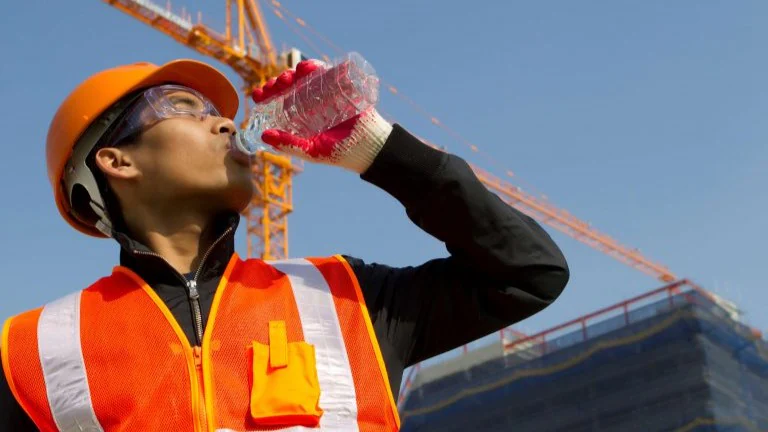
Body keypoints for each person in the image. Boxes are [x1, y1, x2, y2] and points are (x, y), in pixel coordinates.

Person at [0, 58, 569, 431]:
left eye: (222, 114)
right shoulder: (34, 351)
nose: (226, 125)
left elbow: (528, 272)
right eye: (185, 108)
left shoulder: (346, 300)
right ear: (115, 160)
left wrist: (381, 152)